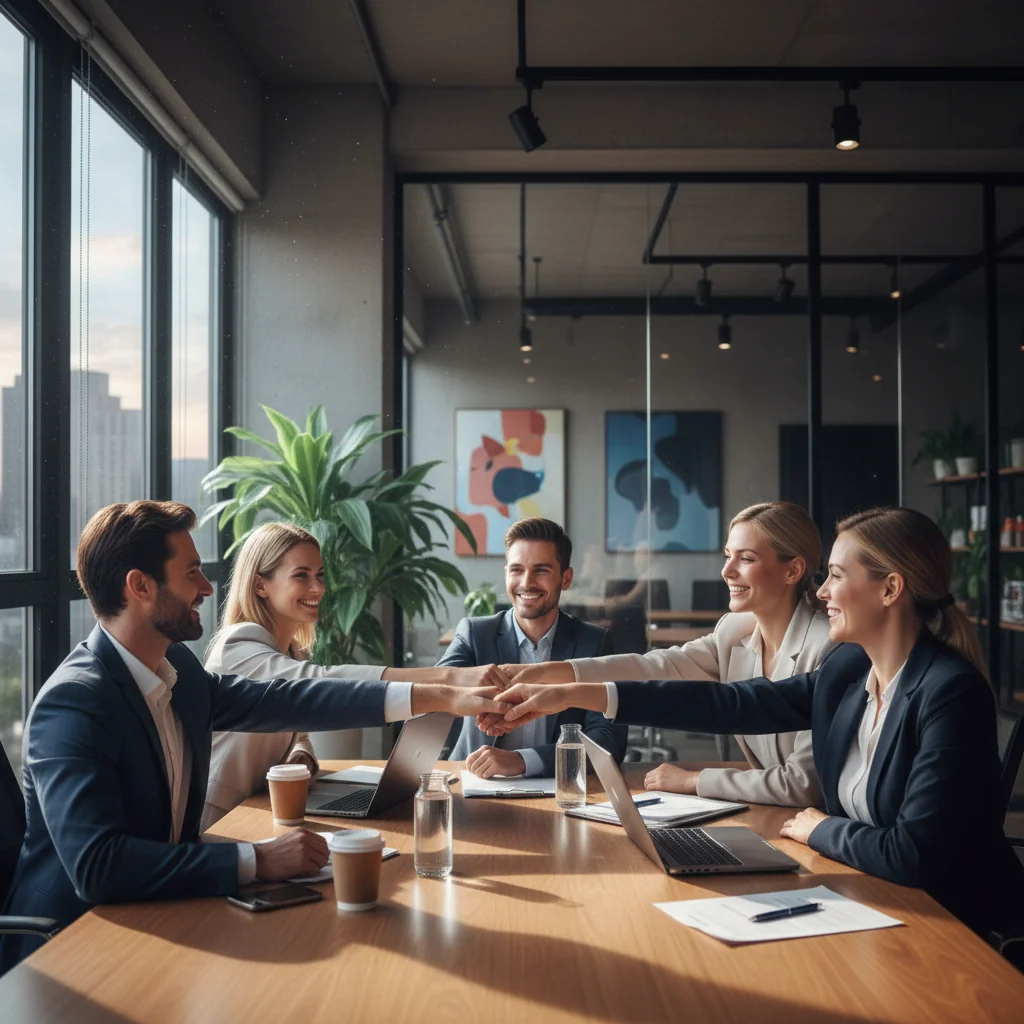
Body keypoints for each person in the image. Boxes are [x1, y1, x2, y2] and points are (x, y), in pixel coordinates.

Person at [0, 502, 507, 972]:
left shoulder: (177, 670)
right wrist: (258, 859)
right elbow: (98, 867)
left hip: (162, 914)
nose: (207, 587)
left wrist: (435, 696)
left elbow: (289, 699)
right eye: (191, 572)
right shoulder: (76, 702)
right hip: (72, 950)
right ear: (141, 586)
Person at [482, 507, 1024, 939]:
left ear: (890, 589)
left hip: (957, 927)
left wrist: (819, 828)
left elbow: (912, 855)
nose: (822, 592)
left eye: (836, 576)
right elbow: (731, 704)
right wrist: (573, 693)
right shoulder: (848, 671)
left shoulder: (950, 693)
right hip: (872, 897)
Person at [507, 502, 833, 806]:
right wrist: (543, 674)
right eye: (727, 556)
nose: (727, 571)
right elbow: (655, 667)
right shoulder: (735, 631)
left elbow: (802, 785)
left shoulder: (826, 646)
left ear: (793, 571)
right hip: (773, 812)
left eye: (746, 559)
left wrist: (693, 779)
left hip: (816, 823)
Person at [202, 522, 512, 829]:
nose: (318, 588)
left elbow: (297, 731)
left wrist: (302, 757)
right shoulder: (237, 645)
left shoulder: (291, 653)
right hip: (223, 818)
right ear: (260, 585)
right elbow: (316, 683)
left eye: (320, 575)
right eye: (301, 575)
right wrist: (447, 683)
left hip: (262, 809)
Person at [440, 518, 627, 778]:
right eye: (516, 570)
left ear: (566, 578)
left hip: (558, 786)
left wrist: (524, 761)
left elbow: (608, 741)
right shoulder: (474, 634)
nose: (527, 582)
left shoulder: (594, 643)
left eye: (541, 570)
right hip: (474, 782)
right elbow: (433, 698)